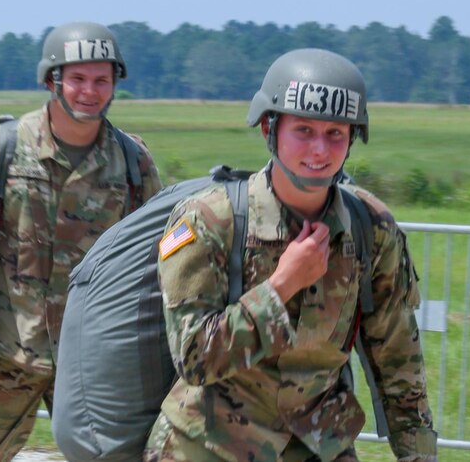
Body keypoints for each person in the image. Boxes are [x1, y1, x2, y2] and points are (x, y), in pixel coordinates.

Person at [144, 48, 437, 462]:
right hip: (210, 445)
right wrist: (281, 287)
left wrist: (419, 454)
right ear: (270, 127)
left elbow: (398, 361)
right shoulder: (210, 219)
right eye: (303, 130)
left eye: (336, 133)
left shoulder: (371, 228)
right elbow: (195, 358)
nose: (319, 149)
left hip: (319, 443)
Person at [0, 21, 162, 461]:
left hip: (90, 360)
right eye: (76, 79)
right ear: (50, 80)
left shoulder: (134, 163)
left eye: (101, 80)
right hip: (3, 354)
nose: (89, 91)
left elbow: (151, 260)